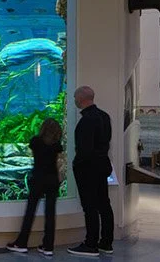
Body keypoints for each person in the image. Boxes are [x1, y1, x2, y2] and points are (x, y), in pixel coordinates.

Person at [7, 118, 65, 256]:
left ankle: (22, 243)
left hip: (38, 178)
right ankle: (48, 246)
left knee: (30, 211)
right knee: (50, 214)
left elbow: (34, 157)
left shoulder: (35, 141)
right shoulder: (57, 145)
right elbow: (58, 162)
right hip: (52, 180)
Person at [68, 86, 114, 257]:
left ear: (81, 99)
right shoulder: (104, 116)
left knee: (90, 207)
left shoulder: (87, 120)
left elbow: (84, 149)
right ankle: (106, 242)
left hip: (88, 169)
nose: (74, 101)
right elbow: (105, 143)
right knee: (104, 204)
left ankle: (90, 243)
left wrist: (76, 165)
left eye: (74, 98)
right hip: (102, 167)